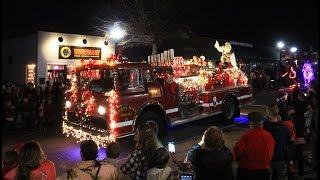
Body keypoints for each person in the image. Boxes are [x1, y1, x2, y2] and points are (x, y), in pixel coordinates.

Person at [234, 112, 275, 180]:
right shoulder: (269, 136)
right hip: (264, 170)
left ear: (250, 123)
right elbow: (271, 152)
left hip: (247, 170)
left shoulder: (246, 136)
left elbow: (239, 152)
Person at [264, 104, 291, 180]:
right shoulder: (284, 127)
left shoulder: (264, 127)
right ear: (277, 111)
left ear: (267, 112)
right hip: (281, 157)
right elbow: (290, 140)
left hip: (268, 159)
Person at [292, 92, 307, 178]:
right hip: (301, 135)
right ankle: (301, 172)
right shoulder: (304, 115)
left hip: (295, 136)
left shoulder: (294, 118)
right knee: (300, 153)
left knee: (294, 155)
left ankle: (294, 172)